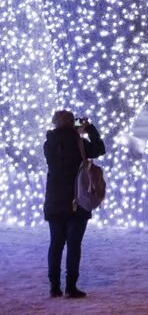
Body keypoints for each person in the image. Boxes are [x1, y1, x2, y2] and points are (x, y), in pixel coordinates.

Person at [43, 110, 104, 299]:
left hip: (55, 201)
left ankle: (54, 287)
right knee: (74, 245)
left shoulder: (48, 143)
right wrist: (89, 128)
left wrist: (72, 129)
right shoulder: (80, 143)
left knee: (56, 244)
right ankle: (71, 287)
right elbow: (100, 149)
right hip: (78, 199)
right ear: (72, 123)